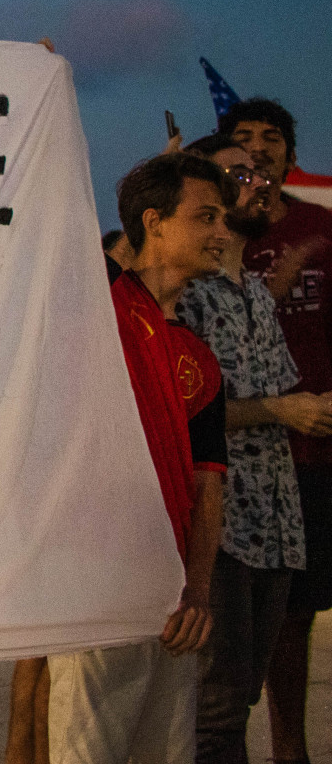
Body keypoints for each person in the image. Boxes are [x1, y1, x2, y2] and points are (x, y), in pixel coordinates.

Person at [48, 152, 232, 764]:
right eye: (205, 217)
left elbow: (209, 486)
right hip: (97, 585)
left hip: (170, 599)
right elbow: (50, 218)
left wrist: (198, 592)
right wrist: (36, 101)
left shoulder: (199, 359)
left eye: (222, 219)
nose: (221, 233)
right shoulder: (99, 305)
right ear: (154, 221)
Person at [178, 134, 330, 763]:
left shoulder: (252, 294)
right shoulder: (185, 295)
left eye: (261, 172)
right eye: (237, 174)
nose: (259, 180)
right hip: (222, 526)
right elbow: (184, 416)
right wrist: (282, 410)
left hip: (274, 522)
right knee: (213, 712)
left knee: (238, 698)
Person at [220, 99, 332, 764]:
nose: (258, 150)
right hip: (231, 456)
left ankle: (289, 746)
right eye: (242, 139)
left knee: (298, 610)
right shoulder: (215, 238)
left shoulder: (322, 228)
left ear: (290, 154)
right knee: (233, 620)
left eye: (270, 139)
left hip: (315, 452)